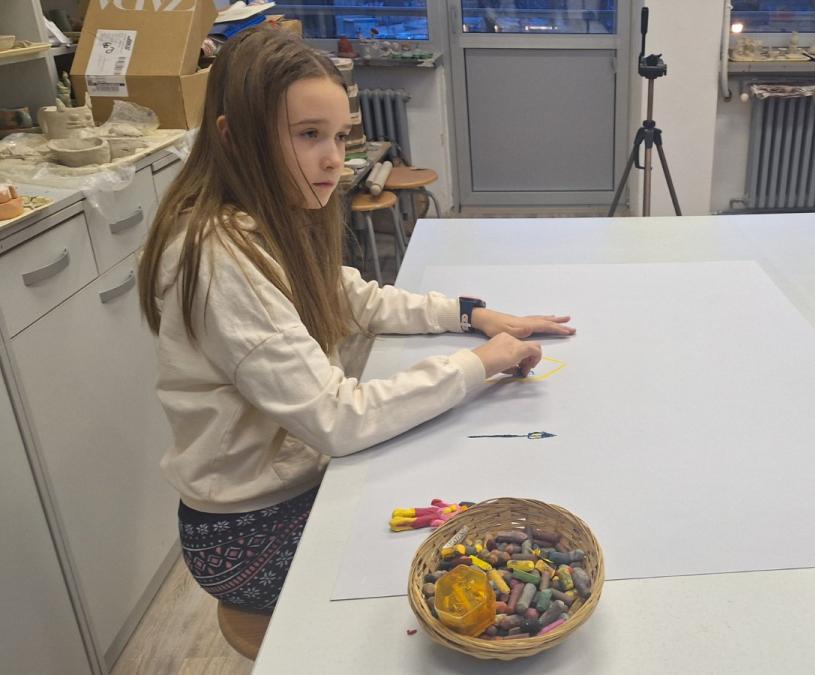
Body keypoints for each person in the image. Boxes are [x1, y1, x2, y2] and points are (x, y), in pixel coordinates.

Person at [135, 28, 573, 611]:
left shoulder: (268, 217)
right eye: (308, 135)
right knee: (481, 553)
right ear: (234, 137)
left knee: (467, 507)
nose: (333, 158)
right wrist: (477, 365)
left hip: (295, 486)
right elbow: (337, 418)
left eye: (340, 136)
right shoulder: (222, 260)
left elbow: (356, 299)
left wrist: (473, 315)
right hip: (249, 534)